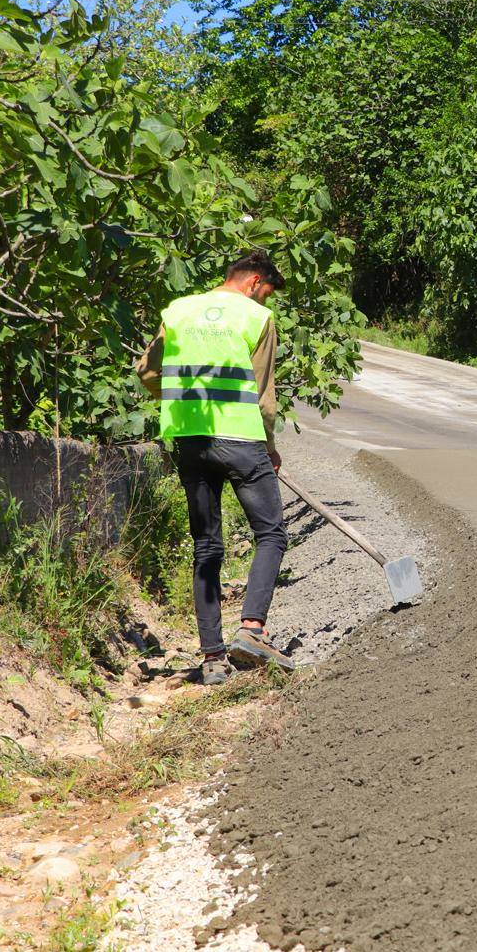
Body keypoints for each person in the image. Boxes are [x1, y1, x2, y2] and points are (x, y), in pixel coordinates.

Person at [135, 251, 296, 684]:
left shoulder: (180, 311)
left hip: (190, 440)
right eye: (266, 294)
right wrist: (270, 446)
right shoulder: (255, 318)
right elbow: (263, 395)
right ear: (254, 282)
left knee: (207, 546)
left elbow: (147, 372)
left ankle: (212, 660)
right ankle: (252, 630)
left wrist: (184, 393)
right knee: (271, 533)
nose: (266, 303)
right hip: (242, 439)